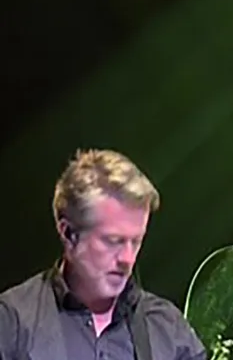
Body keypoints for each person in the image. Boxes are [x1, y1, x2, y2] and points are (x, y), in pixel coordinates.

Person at [0, 149, 206, 360]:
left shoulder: (168, 329)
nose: (127, 259)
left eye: (136, 242)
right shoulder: (11, 321)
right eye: (113, 241)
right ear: (69, 234)